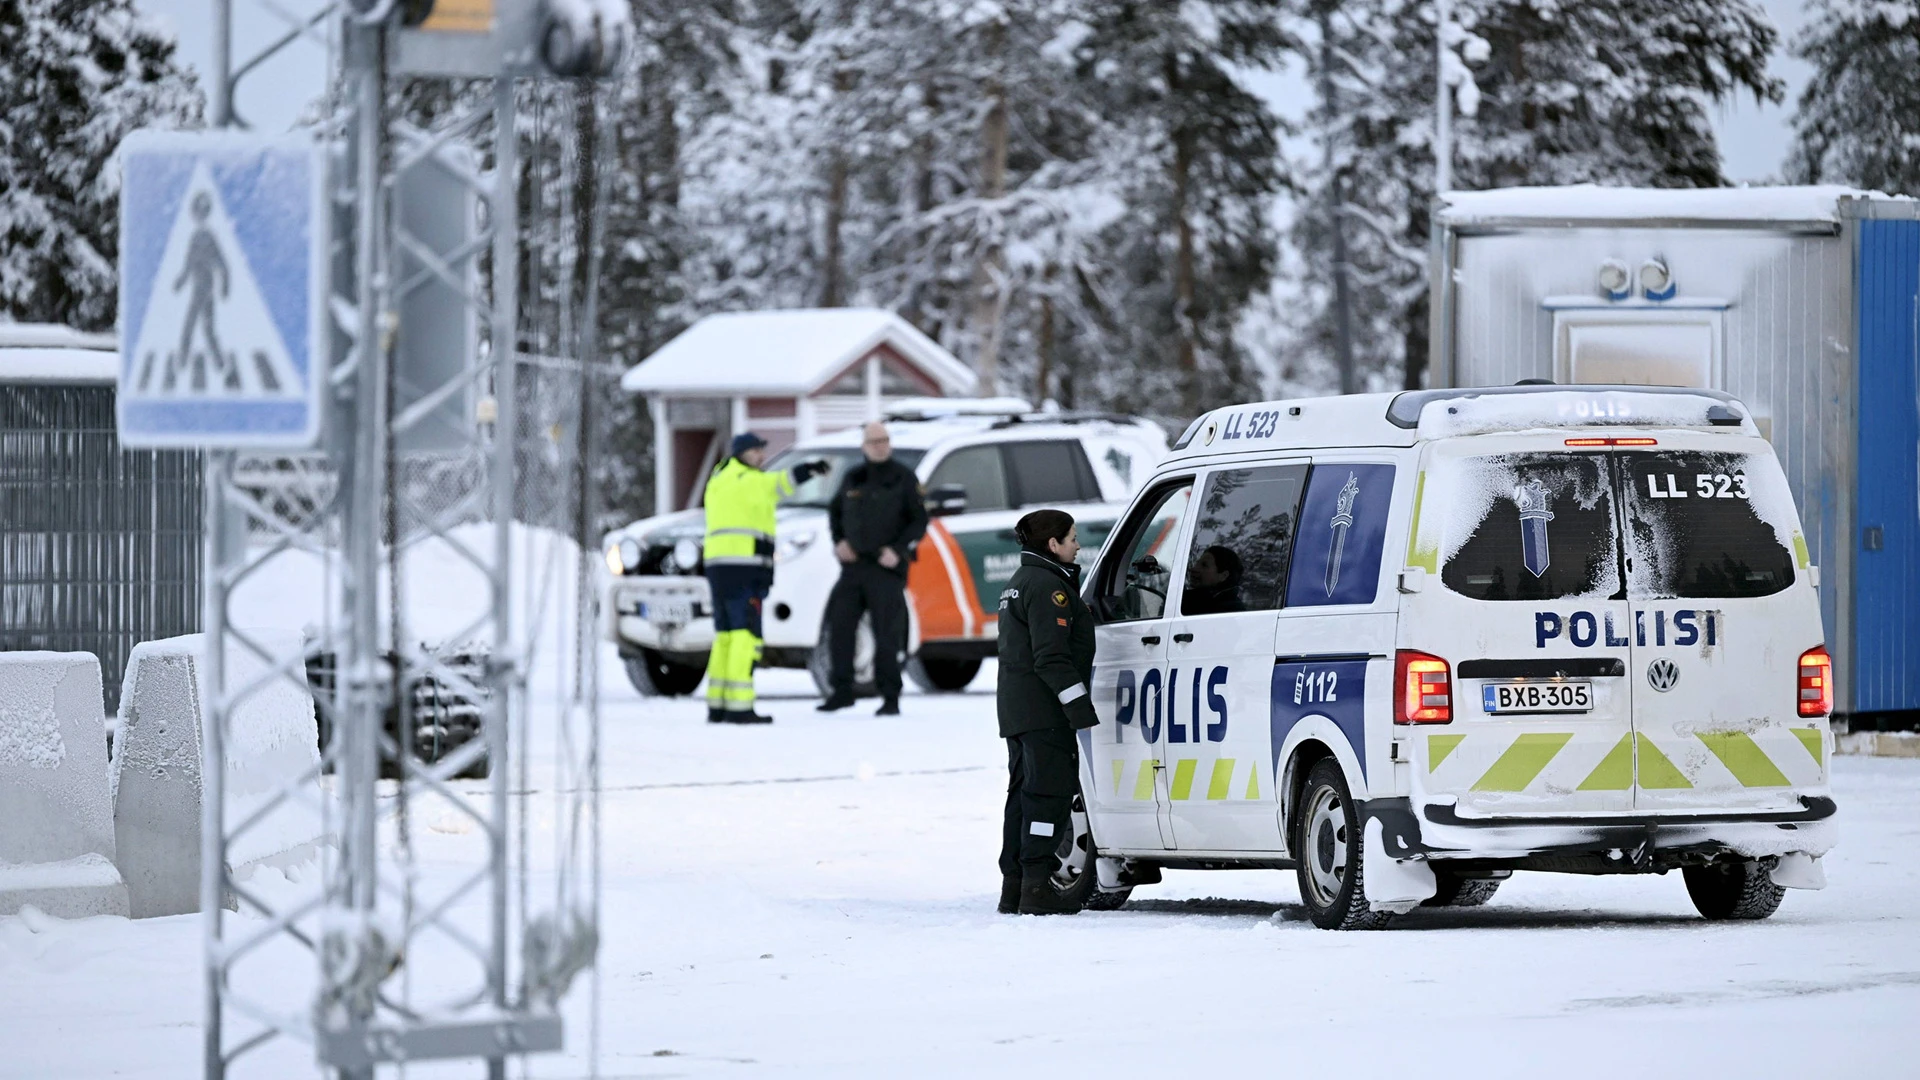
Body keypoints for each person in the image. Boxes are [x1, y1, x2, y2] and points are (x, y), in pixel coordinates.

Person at [995, 508, 1098, 915]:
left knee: (1022, 797)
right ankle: (1037, 888)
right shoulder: (1047, 587)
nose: (1077, 545)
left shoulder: (1020, 582)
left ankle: (1015, 886)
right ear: (1052, 545)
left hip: (1020, 711)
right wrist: (1079, 709)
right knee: (1047, 797)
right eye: (1071, 538)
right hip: (1044, 713)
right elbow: (1051, 658)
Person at [702, 432, 828, 724]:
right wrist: (808, 469)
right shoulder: (749, 481)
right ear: (741, 453)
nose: (760, 457)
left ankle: (718, 704)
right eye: (755, 452)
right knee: (746, 636)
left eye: (761, 451)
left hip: (718, 568)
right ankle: (740, 707)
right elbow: (780, 483)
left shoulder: (719, 479)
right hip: (744, 568)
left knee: (726, 636)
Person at [818, 422, 929, 716]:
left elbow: (919, 521)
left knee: (886, 635)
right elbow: (835, 513)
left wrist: (898, 550)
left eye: (884, 440)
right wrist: (839, 541)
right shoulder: (853, 477)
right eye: (874, 441)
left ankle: (890, 696)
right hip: (853, 567)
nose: (880, 445)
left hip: (886, 568)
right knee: (840, 628)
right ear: (864, 446)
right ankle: (841, 691)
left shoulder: (903, 477)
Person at [1182, 545, 1246, 615]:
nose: (1193, 569)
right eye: (1197, 563)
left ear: (1223, 576)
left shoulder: (1232, 612)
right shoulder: (1187, 599)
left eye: (1204, 565)